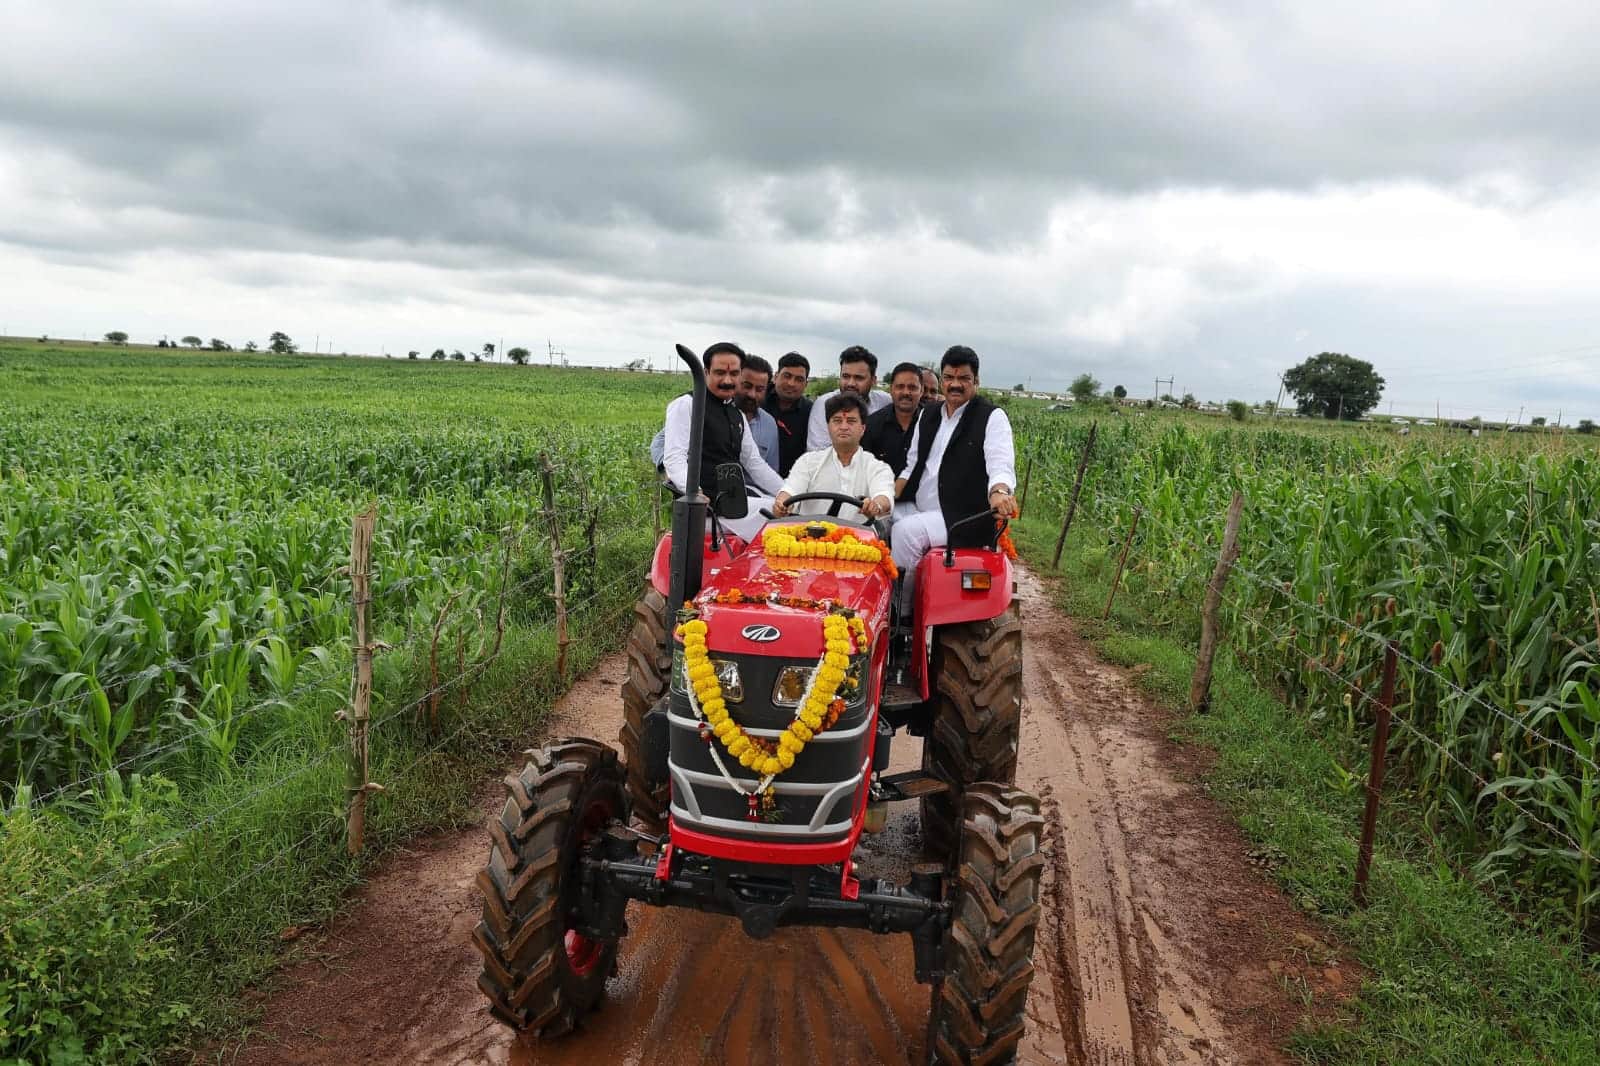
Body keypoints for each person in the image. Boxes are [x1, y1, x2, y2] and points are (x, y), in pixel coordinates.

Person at [891, 346, 1018, 594]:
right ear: (942, 380)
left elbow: (1000, 464)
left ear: (976, 381)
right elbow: (911, 465)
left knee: (906, 533)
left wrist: (999, 491)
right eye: (949, 378)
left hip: (960, 516)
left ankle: (901, 613)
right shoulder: (927, 415)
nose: (955, 385)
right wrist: (884, 496)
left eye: (964, 379)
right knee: (875, 523)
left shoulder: (991, 417)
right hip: (919, 508)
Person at [661, 342, 783, 539]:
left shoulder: (737, 414)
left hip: (732, 503)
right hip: (706, 509)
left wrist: (786, 492)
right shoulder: (686, 405)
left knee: (784, 509)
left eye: (734, 374)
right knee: (779, 519)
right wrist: (695, 494)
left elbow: (754, 463)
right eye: (719, 373)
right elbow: (674, 458)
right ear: (706, 372)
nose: (727, 380)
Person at [772, 394, 893, 523]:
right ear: (828, 427)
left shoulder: (878, 468)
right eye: (837, 420)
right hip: (808, 538)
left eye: (851, 421)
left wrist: (875, 506)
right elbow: (790, 490)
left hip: (858, 539)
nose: (844, 427)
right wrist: (781, 504)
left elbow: (884, 495)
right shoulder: (808, 462)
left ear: (863, 429)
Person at [805, 345, 891, 450]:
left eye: (859, 378)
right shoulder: (824, 405)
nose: (851, 383)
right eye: (846, 376)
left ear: (873, 380)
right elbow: (818, 455)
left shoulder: (884, 401)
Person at [862, 361, 923, 475]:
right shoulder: (871, 426)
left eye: (912, 387)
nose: (906, 392)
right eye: (900, 387)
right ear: (891, 389)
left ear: (921, 391)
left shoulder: (933, 423)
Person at [762, 351, 813, 476]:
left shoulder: (811, 413)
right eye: (787, 376)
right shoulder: (758, 401)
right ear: (775, 377)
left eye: (799, 379)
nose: (791, 383)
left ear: (806, 384)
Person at [737, 354, 781, 471]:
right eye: (747, 386)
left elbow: (771, 470)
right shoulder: (716, 415)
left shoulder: (769, 424)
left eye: (759, 389)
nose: (752, 394)